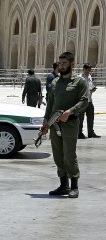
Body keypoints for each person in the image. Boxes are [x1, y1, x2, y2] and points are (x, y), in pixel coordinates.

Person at [41, 52, 88, 199]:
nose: (61, 66)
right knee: (58, 155)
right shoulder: (55, 82)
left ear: (72, 64)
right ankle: (63, 185)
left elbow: (84, 101)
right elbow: (50, 104)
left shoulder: (79, 82)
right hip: (55, 124)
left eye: (64, 63)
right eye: (60, 63)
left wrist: (70, 111)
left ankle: (74, 186)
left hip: (70, 123)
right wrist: (45, 121)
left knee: (69, 155)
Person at [78, 63, 100, 139]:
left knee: (91, 117)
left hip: (89, 100)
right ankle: (79, 133)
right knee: (81, 118)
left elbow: (90, 85)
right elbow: (78, 89)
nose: (88, 72)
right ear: (83, 69)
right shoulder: (79, 78)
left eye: (89, 71)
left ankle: (91, 132)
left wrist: (93, 88)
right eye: (87, 70)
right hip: (82, 100)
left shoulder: (89, 76)